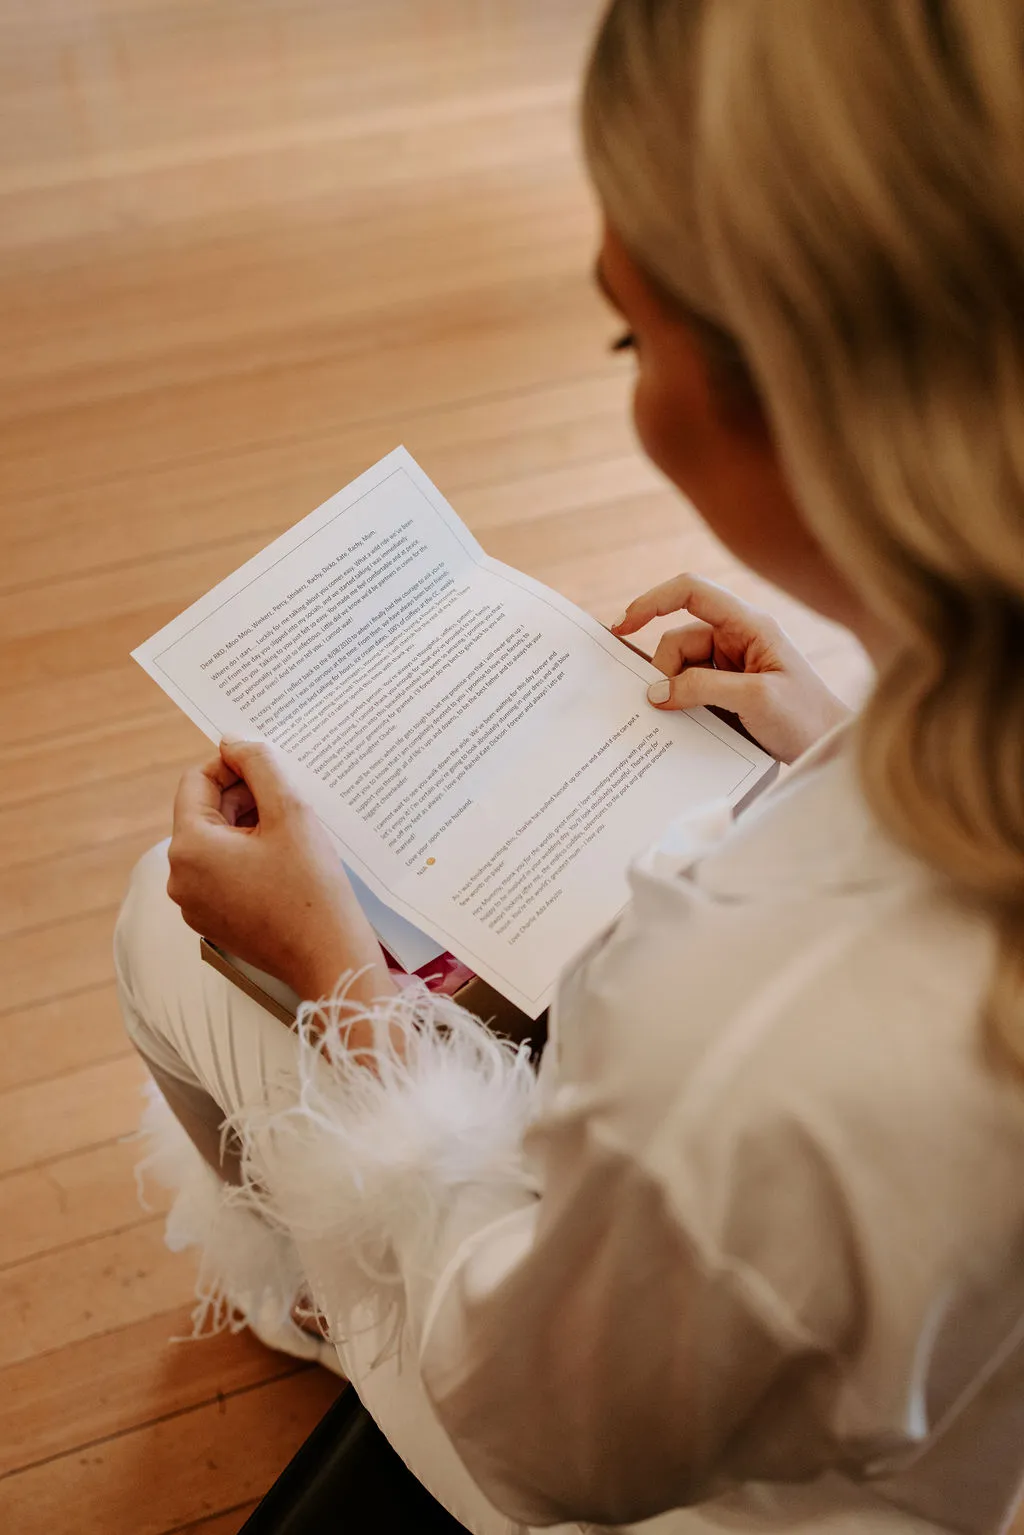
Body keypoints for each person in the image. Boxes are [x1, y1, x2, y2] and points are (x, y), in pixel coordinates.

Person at [114, 1, 1024, 1530]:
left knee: (166, 914)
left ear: (796, 391)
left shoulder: (751, 1035)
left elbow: (540, 1420)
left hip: (683, 1482)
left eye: (630, 327)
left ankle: (319, 1308)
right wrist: (848, 730)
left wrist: (340, 981)